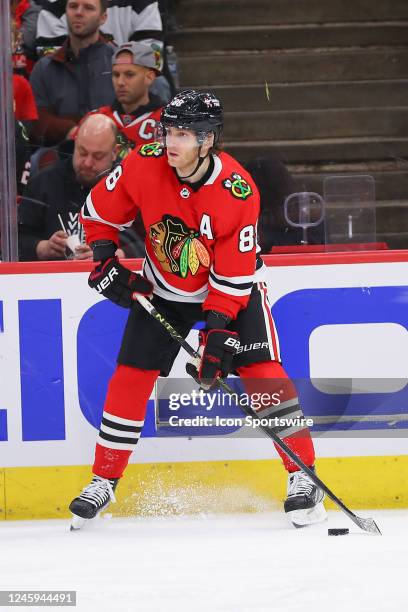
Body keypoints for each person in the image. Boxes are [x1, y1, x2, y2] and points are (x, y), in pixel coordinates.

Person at [70, 89, 326, 529]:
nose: (172, 141)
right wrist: (104, 259)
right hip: (165, 287)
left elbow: (232, 278)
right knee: (130, 376)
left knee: (262, 371)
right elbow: (98, 214)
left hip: (232, 288)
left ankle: (303, 477)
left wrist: (217, 334)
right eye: (169, 130)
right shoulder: (143, 161)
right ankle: (103, 480)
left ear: (208, 140)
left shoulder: (237, 190)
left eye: (184, 133)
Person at [18, 114, 120, 261]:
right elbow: (16, 241)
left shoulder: (129, 185)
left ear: (114, 153)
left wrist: (117, 254)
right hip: (54, 280)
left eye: (98, 156)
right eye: (82, 152)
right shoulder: (43, 183)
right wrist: (43, 247)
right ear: (75, 143)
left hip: (116, 278)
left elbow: (153, 240)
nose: (87, 163)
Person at [29, 0, 115, 146]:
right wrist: (71, 131)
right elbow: (36, 119)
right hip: (61, 153)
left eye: (88, 8)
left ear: (103, 18)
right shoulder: (45, 68)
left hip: (112, 152)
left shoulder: (118, 65)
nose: (79, 12)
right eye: (73, 6)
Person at [85, 40, 164, 160]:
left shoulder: (169, 121)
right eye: (116, 75)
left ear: (149, 77)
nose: (120, 82)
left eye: (129, 75)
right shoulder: (95, 119)